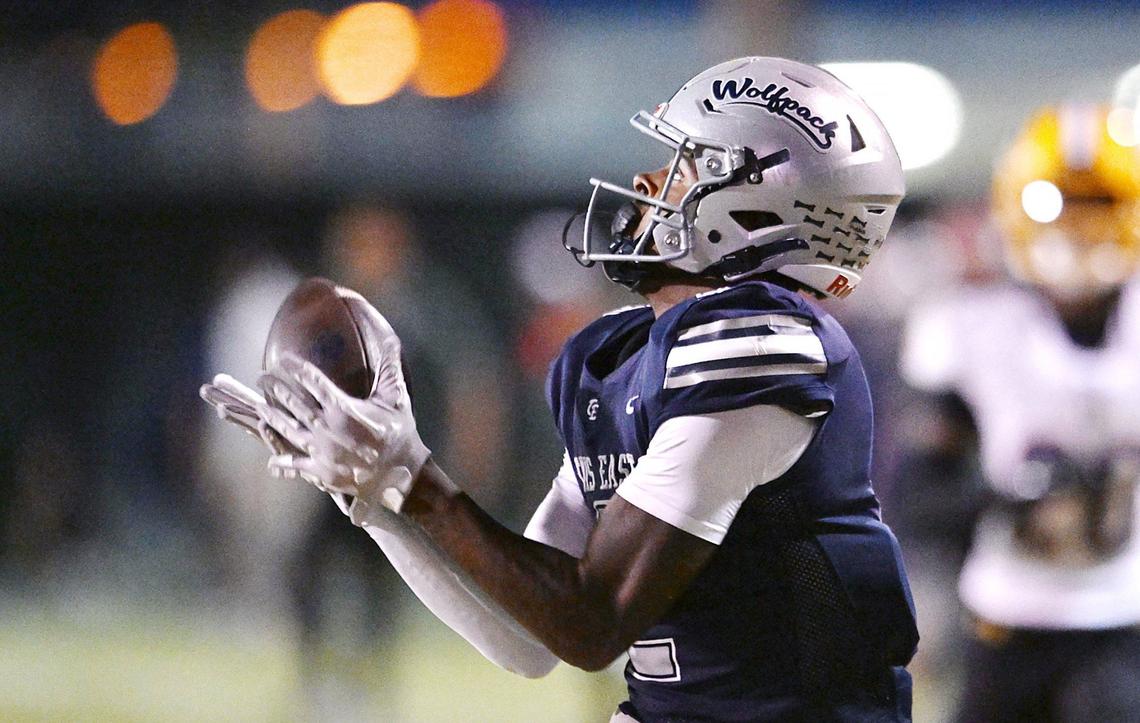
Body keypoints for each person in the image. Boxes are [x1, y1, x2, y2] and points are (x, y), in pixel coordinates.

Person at [202, 57, 919, 721]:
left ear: (754, 213)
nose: (647, 184)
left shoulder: (757, 351)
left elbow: (590, 621)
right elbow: (527, 638)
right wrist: (376, 495)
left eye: (684, 167)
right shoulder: (623, 358)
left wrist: (410, 477)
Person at [899, 104, 1140, 722]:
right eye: (1057, 203)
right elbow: (917, 497)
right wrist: (1008, 497)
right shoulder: (972, 325)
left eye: (1099, 203)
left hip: (1125, 617)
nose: (1078, 227)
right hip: (1008, 614)